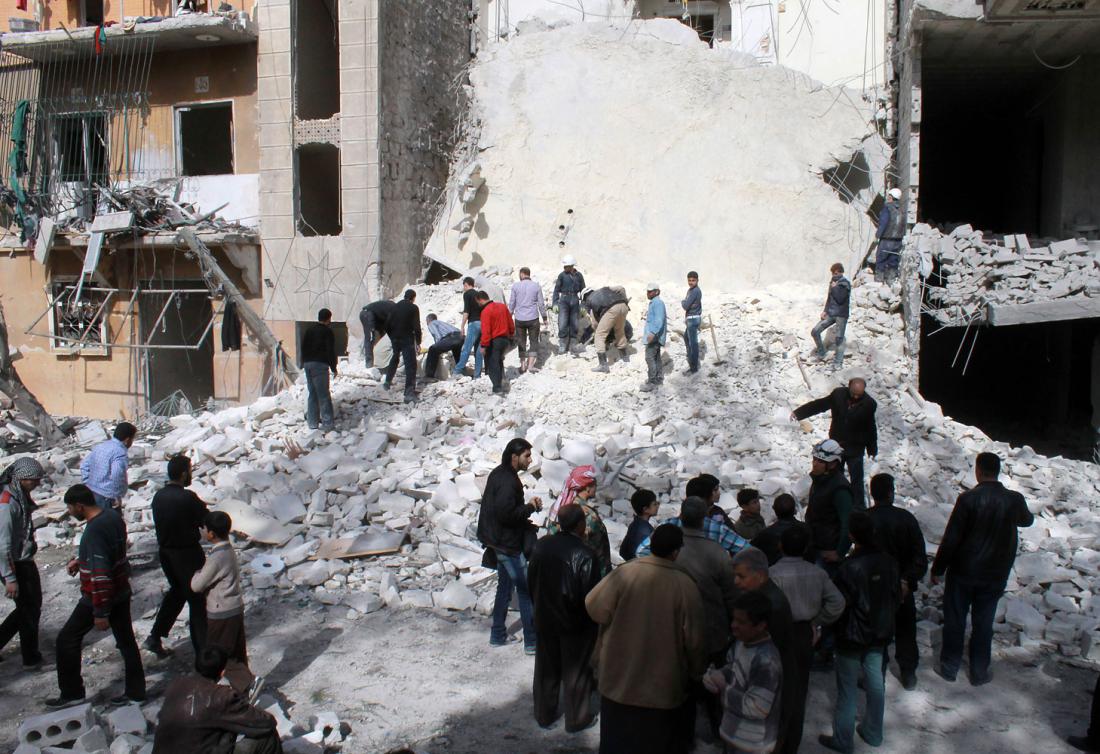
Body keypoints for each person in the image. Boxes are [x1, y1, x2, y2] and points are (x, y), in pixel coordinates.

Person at [585, 524, 707, 754]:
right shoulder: (685, 585)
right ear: (676, 552)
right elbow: (695, 640)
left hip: (617, 680)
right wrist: (696, 671)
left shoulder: (624, 574)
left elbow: (594, 607)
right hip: (661, 688)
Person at [931, 452, 1033, 685]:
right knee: (984, 622)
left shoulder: (968, 499)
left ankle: (949, 667)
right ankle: (978, 671)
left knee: (955, 618)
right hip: (995, 573)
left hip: (964, 571)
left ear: (978, 471)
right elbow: (1027, 520)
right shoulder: (1013, 499)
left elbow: (952, 538)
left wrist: (938, 568)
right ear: (998, 471)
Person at [49, 484, 145, 708]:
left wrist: (100, 611)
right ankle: (136, 693)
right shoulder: (112, 517)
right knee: (127, 642)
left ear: (80, 506)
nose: (70, 512)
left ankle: (72, 694)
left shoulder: (94, 531)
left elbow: (101, 573)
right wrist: (81, 561)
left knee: (67, 640)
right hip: (121, 590)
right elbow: (110, 554)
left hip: (100, 596)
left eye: (71, 508)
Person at [819, 512, 899, 754]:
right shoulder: (889, 561)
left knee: (847, 689)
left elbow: (839, 604)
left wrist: (822, 626)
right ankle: (874, 732)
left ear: (852, 535)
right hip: (879, 631)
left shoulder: (849, 567)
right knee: (876, 681)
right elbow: (896, 595)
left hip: (852, 635)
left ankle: (843, 740)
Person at [769, 525, 845, 754]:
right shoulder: (817, 572)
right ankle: (791, 743)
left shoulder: (772, 573)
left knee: (772, 687)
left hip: (778, 634)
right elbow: (837, 603)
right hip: (804, 633)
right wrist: (817, 621)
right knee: (799, 689)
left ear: (780, 546)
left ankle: (772, 740)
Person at [528, 504, 601, 733]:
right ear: (581, 525)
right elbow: (591, 595)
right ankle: (577, 718)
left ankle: (544, 714)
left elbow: (531, 581)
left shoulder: (542, 546)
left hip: (545, 616)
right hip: (575, 622)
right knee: (577, 672)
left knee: (546, 669)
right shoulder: (586, 554)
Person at [476, 438, 543, 653]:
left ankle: (497, 634)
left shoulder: (501, 473)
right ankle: (532, 642)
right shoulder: (507, 480)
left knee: (504, 588)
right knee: (525, 590)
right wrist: (530, 508)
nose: (530, 460)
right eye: (527, 456)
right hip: (507, 543)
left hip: (498, 540)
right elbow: (506, 514)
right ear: (515, 456)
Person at [152, 646, 282, 754]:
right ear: (222, 672)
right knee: (267, 736)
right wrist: (244, 707)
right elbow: (265, 722)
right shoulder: (220, 696)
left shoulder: (176, 686)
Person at [191, 511, 262, 700]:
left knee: (220, 654)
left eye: (204, 529)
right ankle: (243, 691)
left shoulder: (216, 557)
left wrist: (197, 572)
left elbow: (197, 585)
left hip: (221, 610)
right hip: (235, 607)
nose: (203, 531)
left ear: (211, 534)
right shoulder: (228, 550)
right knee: (237, 651)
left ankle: (249, 683)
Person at [703, 591, 783, 754]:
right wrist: (716, 675)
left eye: (741, 622)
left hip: (751, 744)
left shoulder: (766, 662)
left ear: (761, 625)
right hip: (733, 734)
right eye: (734, 619)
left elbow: (757, 708)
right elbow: (733, 668)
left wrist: (724, 688)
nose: (733, 625)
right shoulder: (740, 643)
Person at [732, 547, 795, 753]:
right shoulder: (761, 598)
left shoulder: (771, 606)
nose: (736, 582)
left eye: (741, 576)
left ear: (759, 576)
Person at [867, 473, 927, 690]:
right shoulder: (906, 519)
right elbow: (920, 557)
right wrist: (907, 580)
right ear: (891, 493)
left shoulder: (865, 519)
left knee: (874, 632)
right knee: (905, 630)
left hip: (873, 587)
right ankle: (908, 672)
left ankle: (874, 675)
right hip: (901, 587)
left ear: (872, 494)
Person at [146, 454, 209, 658]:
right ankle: (203, 655)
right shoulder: (187, 498)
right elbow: (206, 520)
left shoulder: (159, 496)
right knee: (197, 601)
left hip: (166, 554)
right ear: (183, 474)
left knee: (177, 592)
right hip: (187, 554)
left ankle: (155, 636)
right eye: (190, 471)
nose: (191, 475)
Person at [792, 378, 878, 510]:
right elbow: (820, 405)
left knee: (856, 480)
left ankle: (858, 508)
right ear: (848, 387)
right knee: (834, 477)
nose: (855, 397)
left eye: (859, 395)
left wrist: (872, 448)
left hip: (855, 447)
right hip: (837, 446)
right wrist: (799, 413)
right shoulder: (838, 395)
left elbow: (870, 427)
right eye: (853, 393)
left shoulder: (869, 404)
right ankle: (834, 504)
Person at [0, 457, 46, 668]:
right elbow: (3, 545)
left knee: (28, 608)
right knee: (29, 609)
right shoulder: (8, 503)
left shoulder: (18, 496)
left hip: (22, 559)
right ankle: (31, 657)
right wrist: (10, 578)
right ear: (23, 479)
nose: (37, 484)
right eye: (34, 480)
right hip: (16, 563)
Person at [636, 494, 749, 558]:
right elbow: (747, 549)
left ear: (681, 514)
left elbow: (641, 551)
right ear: (704, 516)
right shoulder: (717, 529)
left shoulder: (668, 526)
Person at [546, 465, 611, 576]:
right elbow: (597, 548)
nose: (596, 487)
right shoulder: (587, 514)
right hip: (587, 573)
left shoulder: (559, 506)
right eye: (594, 484)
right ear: (587, 487)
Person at [804, 439, 854, 570]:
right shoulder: (820, 480)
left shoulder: (840, 490)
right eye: (814, 459)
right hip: (815, 544)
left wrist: (839, 552)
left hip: (828, 550)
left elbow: (848, 523)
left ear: (832, 465)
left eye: (820, 462)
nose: (815, 464)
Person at [80, 421, 136, 509]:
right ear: (127, 440)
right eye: (132, 439)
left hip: (91, 493)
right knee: (111, 521)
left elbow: (84, 466)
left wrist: (88, 483)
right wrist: (116, 496)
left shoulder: (101, 446)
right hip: (107, 498)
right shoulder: (120, 452)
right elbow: (117, 475)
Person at [299, 309, 338, 430]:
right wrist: (333, 367)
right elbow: (330, 350)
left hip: (308, 364)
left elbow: (303, 346)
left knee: (312, 394)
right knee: (324, 395)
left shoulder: (309, 330)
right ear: (328, 319)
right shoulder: (327, 332)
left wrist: (303, 363)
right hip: (320, 365)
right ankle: (328, 424)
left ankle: (312, 423)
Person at [384, 290, 422, 403]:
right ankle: (409, 393)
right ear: (413, 298)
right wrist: (418, 342)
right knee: (411, 365)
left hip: (395, 338)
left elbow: (386, 324)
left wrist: (392, 336)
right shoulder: (413, 308)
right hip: (407, 339)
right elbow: (417, 327)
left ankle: (387, 381)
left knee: (395, 358)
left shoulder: (394, 307)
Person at [810, 263, 850, 369]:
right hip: (831, 313)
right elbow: (830, 298)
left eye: (836, 273)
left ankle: (838, 363)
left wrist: (835, 288)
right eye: (832, 273)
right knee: (815, 331)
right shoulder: (833, 283)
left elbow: (840, 299)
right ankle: (822, 353)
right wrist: (825, 311)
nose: (834, 275)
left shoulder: (845, 283)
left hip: (841, 314)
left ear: (841, 272)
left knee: (839, 339)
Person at [508, 267, 548, 373]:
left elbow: (512, 303)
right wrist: (544, 317)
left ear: (522, 274)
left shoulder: (515, 286)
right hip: (533, 318)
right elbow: (541, 304)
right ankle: (530, 366)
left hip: (519, 319)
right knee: (534, 341)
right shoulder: (536, 286)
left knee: (521, 341)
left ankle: (522, 366)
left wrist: (509, 316)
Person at [583, 286, 630, 373]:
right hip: (623, 306)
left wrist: (596, 330)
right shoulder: (604, 289)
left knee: (599, 335)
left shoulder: (589, 301)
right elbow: (621, 288)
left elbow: (594, 322)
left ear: (584, 297)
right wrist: (625, 300)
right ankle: (625, 358)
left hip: (611, 310)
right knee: (619, 332)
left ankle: (603, 365)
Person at [478, 290, 516, 395]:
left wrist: (483, 345)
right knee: (499, 361)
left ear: (480, 300)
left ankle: (497, 388)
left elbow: (486, 330)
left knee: (492, 363)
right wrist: (511, 334)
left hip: (494, 341)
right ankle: (503, 382)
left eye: (478, 303)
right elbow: (510, 322)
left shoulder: (485, 311)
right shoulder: (502, 307)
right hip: (505, 339)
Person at [751, 494, 804, 566]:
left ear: (774, 510)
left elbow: (752, 552)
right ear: (794, 510)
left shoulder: (764, 534)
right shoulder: (806, 529)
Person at [552, 256, 586, 354]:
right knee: (562, 322)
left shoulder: (579, 276)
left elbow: (583, 291)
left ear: (572, 266)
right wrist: (555, 303)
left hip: (575, 300)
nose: (564, 268)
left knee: (574, 323)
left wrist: (583, 304)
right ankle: (562, 344)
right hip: (564, 300)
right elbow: (556, 290)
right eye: (564, 266)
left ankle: (573, 344)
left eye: (566, 266)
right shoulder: (562, 276)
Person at [453, 277, 485, 378]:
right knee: (479, 350)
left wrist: (462, 326)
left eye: (464, 286)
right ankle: (477, 375)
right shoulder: (478, 294)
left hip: (473, 323)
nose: (464, 288)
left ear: (466, 284)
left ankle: (457, 371)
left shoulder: (467, 294)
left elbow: (466, 311)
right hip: (482, 324)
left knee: (467, 347)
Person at [875, 188, 905, 284]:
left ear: (891, 197)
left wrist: (877, 235)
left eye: (889, 196)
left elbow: (883, 223)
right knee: (893, 262)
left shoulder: (887, 209)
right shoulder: (901, 211)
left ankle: (879, 282)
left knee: (881, 259)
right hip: (897, 242)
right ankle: (891, 282)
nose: (887, 198)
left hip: (886, 240)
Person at [619, 489, 658, 562]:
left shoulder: (633, 525)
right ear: (645, 509)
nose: (657, 506)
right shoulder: (646, 531)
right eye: (654, 504)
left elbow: (623, 551)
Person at [641, 282, 667, 392]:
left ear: (657, 292)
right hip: (654, 335)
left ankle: (652, 381)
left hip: (654, 336)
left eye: (650, 291)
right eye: (647, 291)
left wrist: (652, 333)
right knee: (656, 358)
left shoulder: (658, 303)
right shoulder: (654, 303)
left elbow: (659, 320)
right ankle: (658, 378)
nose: (648, 293)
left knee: (649, 357)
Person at [423, 314, 464, 380]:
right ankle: (460, 373)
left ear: (428, 320)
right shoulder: (441, 323)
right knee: (457, 354)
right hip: (461, 337)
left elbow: (438, 336)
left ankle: (429, 376)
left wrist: (437, 347)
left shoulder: (432, 323)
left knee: (432, 349)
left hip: (451, 337)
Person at [358, 298, 396, 368]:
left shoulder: (389, 308)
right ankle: (369, 363)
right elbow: (390, 327)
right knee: (370, 337)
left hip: (376, 317)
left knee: (381, 336)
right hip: (367, 314)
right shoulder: (394, 309)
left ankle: (378, 358)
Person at [682, 271, 702, 375]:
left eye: (693, 280)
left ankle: (693, 367)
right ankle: (691, 359)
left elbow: (685, 305)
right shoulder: (691, 290)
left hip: (693, 319)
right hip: (692, 318)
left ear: (697, 280)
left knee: (693, 343)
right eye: (689, 280)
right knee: (686, 338)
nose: (691, 282)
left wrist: (683, 302)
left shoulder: (695, 291)